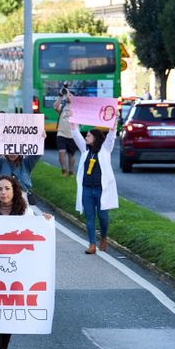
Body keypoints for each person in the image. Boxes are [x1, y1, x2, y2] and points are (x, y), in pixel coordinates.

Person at [0, 176, 53, 349]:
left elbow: (35, 230)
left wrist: (45, 222)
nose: (3, 193)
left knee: (9, 308)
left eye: (7, 188)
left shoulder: (25, 212)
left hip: (17, 268)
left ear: (14, 191)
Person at [72, 123, 118, 254]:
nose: (85, 137)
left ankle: (103, 237)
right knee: (90, 217)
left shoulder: (105, 149)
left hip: (101, 190)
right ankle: (92, 244)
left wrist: (114, 121)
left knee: (103, 217)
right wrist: (72, 121)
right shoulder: (85, 150)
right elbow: (75, 134)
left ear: (95, 138)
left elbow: (111, 135)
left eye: (88, 136)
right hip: (87, 190)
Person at [54, 88, 78, 176]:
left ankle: (71, 171)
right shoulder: (62, 107)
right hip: (61, 133)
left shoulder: (77, 108)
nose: (68, 97)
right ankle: (64, 169)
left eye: (70, 95)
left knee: (71, 155)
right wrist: (60, 96)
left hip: (72, 135)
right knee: (62, 151)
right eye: (68, 95)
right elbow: (55, 107)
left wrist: (68, 95)